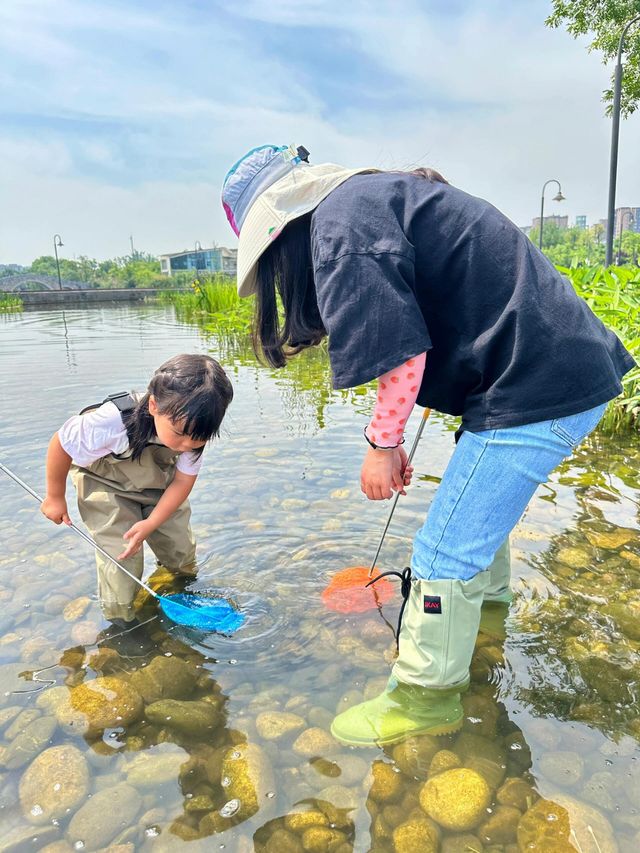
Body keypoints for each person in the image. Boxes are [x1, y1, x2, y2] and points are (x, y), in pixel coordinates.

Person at [221, 144, 635, 747]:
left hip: (536, 384)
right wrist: (394, 435)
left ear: (277, 231)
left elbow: (405, 352)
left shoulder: (342, 228)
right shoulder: (373, 202)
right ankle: (488, 622)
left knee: (441, 552)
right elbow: (427, 325)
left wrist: (381, 443)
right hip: (556, 372)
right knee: (472, 523)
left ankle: (425, 695)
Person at [41, 353, 233, 633]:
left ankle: (180, 588)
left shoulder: (193, 436)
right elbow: (61, 444)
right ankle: (121, 622)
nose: (188, 445)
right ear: (154, 406)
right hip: (107, 486)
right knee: (123, 556)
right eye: (179, 434)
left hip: (160, 487)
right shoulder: (110, 422)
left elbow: (181, 483)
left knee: (180, 550)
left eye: (199, 438)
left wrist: (151, 523)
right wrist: (54, 497)